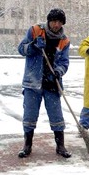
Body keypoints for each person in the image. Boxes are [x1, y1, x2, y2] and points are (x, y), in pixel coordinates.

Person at [17, 8, 71, 158]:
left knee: (56, 115)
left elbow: (65, 62)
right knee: (29, 115)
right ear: (49, 20)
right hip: (32, 82)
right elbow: (21, 49)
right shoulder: (35, 31)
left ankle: (60, 145)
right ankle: (27, 145)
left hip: (52, 83)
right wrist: (33, 46)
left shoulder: (64, 40)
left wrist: (59, 71)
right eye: (54, 21)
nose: (56, 25)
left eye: (59, 22)